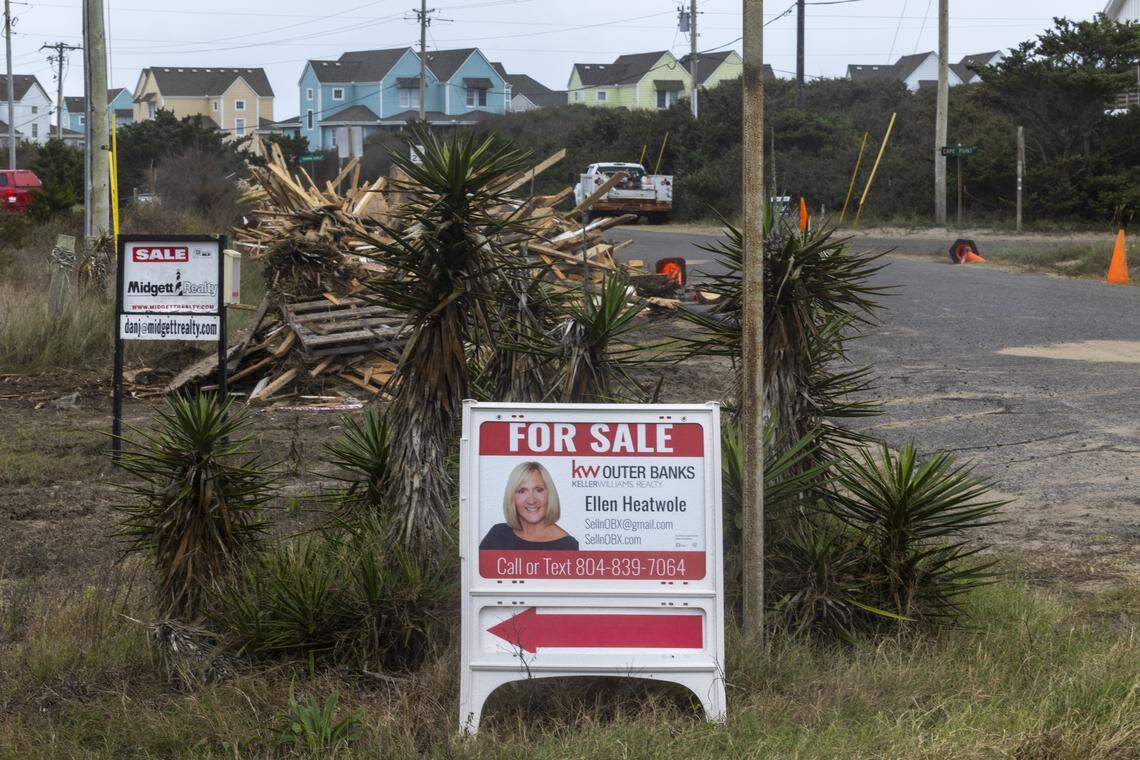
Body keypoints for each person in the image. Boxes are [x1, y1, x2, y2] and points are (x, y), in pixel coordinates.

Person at [480, 461, 579, 551]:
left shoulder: (567, 545)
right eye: (522, 491)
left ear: (549, 495)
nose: (531, 500)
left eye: (539, 490)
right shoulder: (498, 534)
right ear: (512, 497)